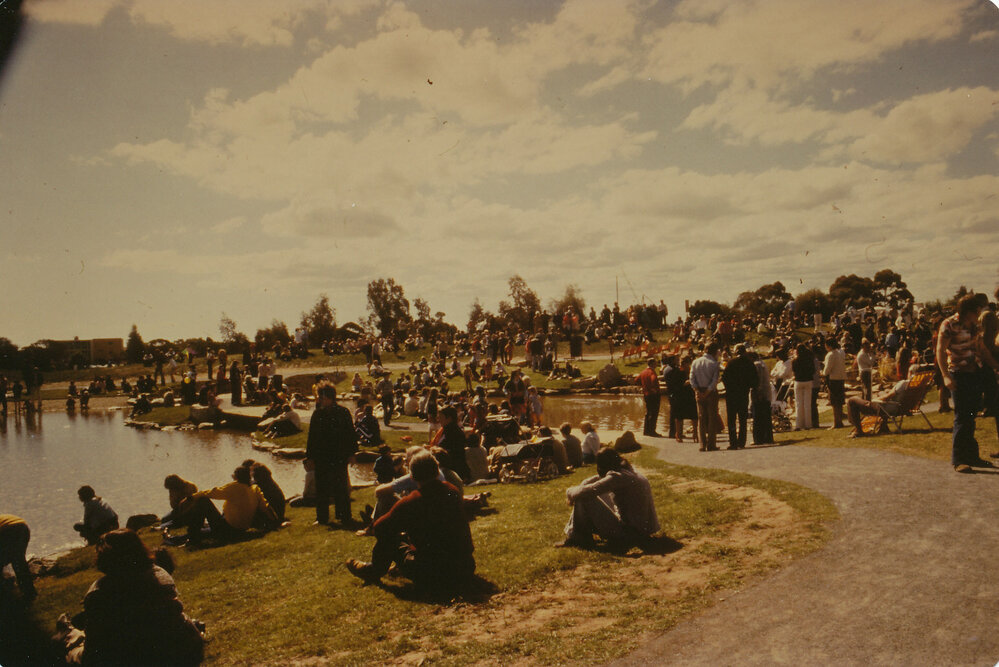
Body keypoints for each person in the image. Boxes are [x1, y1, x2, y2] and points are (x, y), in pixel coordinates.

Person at [54, 529, 204, 666]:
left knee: (74, 647)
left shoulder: (99, 592)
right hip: (180, 648)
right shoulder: (160, 574)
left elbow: (93, 651)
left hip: (135, 656)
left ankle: (67, 631)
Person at [346, 451, 475, 593]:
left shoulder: (413, 501)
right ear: (437, 469)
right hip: (465, 567)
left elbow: (380, 527)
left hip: (432, 574)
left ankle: (372, 570)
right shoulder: (452, 491)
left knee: (391, 538)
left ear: (412, 476)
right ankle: (377, 568)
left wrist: (403, 533)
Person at [937, 294, 999, 473]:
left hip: (975, 373)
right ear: (968, 312)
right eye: (977, 310)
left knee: (971, 417)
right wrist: (946, 376)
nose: (979, 313)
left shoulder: (975, 325)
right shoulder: (948, 325)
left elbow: (981, 348)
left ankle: (972, 456)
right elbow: (940, 350)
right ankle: (959, 459)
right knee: (962, 416)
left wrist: (995, 366)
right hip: (959, 374)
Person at [557, 447, 660, 550]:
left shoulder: (617, 477)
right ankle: (579, 534)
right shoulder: (629, 472)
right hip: (643, 530)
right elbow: (597, 480)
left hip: (630, 533)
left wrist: (569, 492)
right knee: (585, 493)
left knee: (584, 498)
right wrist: (581, 486)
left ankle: (576, 537)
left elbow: (591, 490)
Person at [178, 466, 279, 546]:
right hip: (241, 529)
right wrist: (276, 521)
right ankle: (192, 535)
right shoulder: (255, 489)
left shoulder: (235, 487)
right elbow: (266, 507)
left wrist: (190, 498)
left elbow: (212, 492)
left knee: (203, 501)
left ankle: (192, 538)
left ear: (237, 477)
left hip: (228, 530)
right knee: (208, 529)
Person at [306, 384, 358, 526]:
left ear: (329, 397)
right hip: (322, 457)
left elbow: (350, 435)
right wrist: (309, 457)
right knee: (321, 487)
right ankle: (322, 518)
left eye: (321, 397)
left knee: (341, 487)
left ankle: (344, 516)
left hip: (339, 456)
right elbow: (312, 437)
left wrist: (352, 453)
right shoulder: (318, 414)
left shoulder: (343, 412)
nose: (319, 400)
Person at [845, 376, 912, 437]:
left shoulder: (903, 383)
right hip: (900, 408)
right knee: (880, 393)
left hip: (886, 408)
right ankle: (883, 427)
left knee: (852, 401)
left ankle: (858, 431)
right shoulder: (914, 385)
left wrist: (875, 400)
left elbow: (887, 397)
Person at [721, 345, 755, 449]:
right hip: (743, 393)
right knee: (742, 419)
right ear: (744, 352)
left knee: (731, 419)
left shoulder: (731, 363)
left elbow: (724, 378)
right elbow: (754, 380)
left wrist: (729, 388)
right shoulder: (750, 363)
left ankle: (733, 442)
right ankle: (742, 442)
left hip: (731, 393)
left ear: (736, 352)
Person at [690, 343, 721, 451]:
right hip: (710, 392)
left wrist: (697, 390)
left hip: (699, 390)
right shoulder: (714, 363)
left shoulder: (695, 362)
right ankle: (711, 444)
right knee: (712, 418)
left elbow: (691, 378)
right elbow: (714, 380)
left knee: (701, 418)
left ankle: (702, 444)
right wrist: (707, 392)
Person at [0, 514, 36, 600]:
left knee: (16, 561)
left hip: (8, 529)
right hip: (22, 526)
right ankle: (29, 591)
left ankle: (6, 595)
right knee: (18, 561)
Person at [436, 405, 470, 482]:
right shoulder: (446, 430)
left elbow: (455, 454)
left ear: (449, 418)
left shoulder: (454, 433)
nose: (438, 419)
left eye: (441, 417)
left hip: (451, 469)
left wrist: (437, 450)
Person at [823, 338, 847, 429]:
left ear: (829, 345)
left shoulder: (830, 354)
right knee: (839, 402)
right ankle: (839, 421)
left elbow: (827, 369)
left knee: (834, 402)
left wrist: (823, 373)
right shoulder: (840, 353)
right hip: (841, 378)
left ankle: (836, 422)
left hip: (833, 379)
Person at [791, 344, 815, 430]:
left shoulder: (794, 360)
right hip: (808, 380)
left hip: (798, 381)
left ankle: (798, 425)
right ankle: (808, 424)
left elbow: (793, 371)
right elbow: (813, 370)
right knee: (807, 404)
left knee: (798, 403)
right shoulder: (809, 359)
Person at [637, 358, 662, 437]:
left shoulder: (643, 372)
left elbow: (636, 380)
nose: (656, 365)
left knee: (648, 412)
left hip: (646, 394)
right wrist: (653, 388)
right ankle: (652, 431)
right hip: (653, 395)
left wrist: (643, 386)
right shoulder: (652, 372)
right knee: (654, 413)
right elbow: (653, 379)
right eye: (655, 363)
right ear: (651, 364)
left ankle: (646, 430)